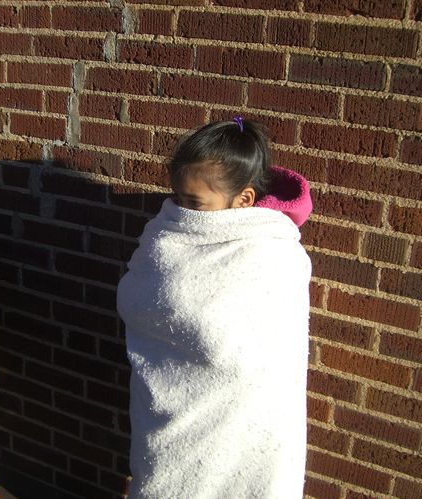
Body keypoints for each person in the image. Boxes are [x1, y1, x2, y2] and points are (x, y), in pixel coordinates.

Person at [117, 118, 313, 498]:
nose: (179, 210)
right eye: (177, 196)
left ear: (244, 199)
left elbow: (242, 353)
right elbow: (134, 296)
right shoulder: (167, 227)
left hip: (236, 427)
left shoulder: (274, 253)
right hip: (165, 417)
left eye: (194, 203)